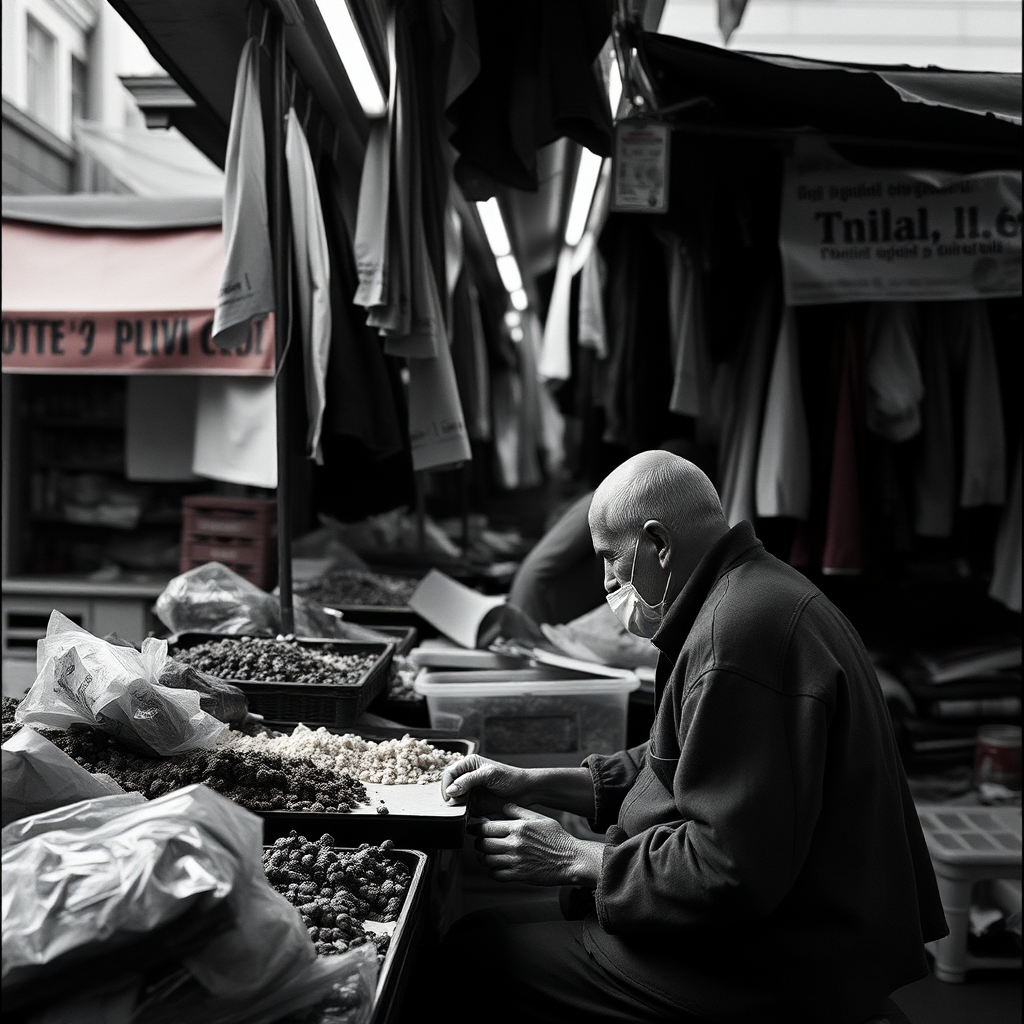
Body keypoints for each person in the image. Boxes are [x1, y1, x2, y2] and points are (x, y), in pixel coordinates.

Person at [437, 450, 947, 1024]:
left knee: (470, 959)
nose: (607, 583)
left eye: (611, 559)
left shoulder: (739, 635)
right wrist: (531, 782)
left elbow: (728, 870)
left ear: (658, 545)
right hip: (771, 927)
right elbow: (676, 761)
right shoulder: (747, 591)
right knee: (485, 928)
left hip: (777, 958)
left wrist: (575, 856)